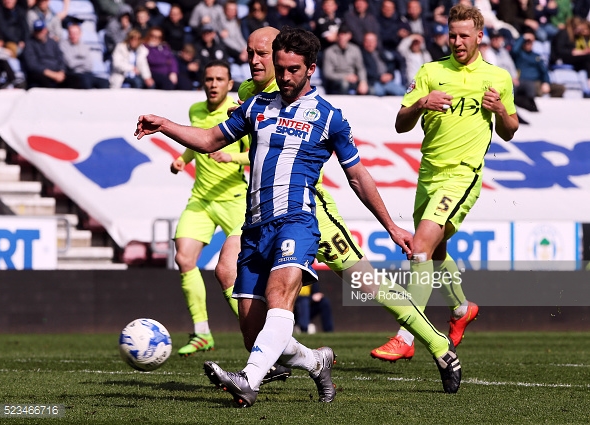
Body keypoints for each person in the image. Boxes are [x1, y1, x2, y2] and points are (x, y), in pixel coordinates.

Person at [136, 26, 462, 406]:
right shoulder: (250, 98)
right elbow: (215, 140)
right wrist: (167, 128)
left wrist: (390, 226)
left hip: (310, 213)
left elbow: (355, 173)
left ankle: (437, 344)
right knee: (240, 298)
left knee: (366, 285)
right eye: (253, 54)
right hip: (260, 217)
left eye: (262, 54)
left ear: (305, 67)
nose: (255, 62)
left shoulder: (325, 114)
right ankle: (305, 359)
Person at [370, 3, 519, 362]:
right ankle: (461, 309)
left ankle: (407, 335)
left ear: (480, 36)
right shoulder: (430, 71)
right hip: (428, 176)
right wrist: (422, 102)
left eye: (464, 35)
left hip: (462, 176)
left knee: (419, 246)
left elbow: (511, 130)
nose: (456, 41)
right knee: (434, 254)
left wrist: (499, 110)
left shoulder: (497, 78)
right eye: (452, 35)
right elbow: (400, 124)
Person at [169, 60, 247, 357]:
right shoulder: (195, 111)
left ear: (230, 85)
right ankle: (202, 332)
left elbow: (259, 152)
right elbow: (196, 141)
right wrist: (183, 160)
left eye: (219, 79)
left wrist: (233, 160)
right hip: (201, 198)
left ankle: (256, 329)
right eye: (209, 79)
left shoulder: (240, 112)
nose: (213, 84)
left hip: (235, 199)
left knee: (231, 269)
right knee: (184, 257)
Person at [511, 30, 565, 102]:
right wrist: (523, 37)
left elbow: (544, 71)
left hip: (539, 82)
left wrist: (546, 83)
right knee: (532, 87)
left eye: (530, 42)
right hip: (525, 82)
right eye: (526, 42)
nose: (528, 44)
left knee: (560, 88)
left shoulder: (537, 56)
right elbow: (514, 49)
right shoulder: (519, 55)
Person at [59, 22, 110, 89]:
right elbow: (70, 64)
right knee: (85, 81)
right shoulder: (63, 45)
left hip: (86, 74)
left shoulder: (84, 46)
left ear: (80, 34)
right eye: (72, 33)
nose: (74, 35)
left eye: (76, 33)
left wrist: (77, 60)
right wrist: (83, 61)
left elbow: (89, 65)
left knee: (105, 83)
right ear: (68, 34)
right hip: (71, 74)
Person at [321, 23, 369, 95]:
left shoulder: (355, 49)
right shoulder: (329, 51)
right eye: (341, 34)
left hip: (353, 79)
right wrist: (345, 77)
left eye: (345, 34)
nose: (342, 37)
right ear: (337, 36)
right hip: (336, 81)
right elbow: (328, 73)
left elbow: (360, 68)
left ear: (349, 36)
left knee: (370, 89)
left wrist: (363, 81)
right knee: (344, 84)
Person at [22, 19, 66, 88]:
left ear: (45, 30)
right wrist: (52, 75)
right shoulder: (29, 44)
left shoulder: (52, 42)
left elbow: (60, 58)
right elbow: (32, 65)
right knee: (43, 81)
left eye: (41, 30)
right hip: (42, 74)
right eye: (37, 31)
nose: (39, 33)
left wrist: (61, 71)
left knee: (76, 79)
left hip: (57, 72)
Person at [361, 30, 406, 96]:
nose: (370, 44)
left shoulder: (381, 53)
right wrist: (380, 77)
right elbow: (363, 70)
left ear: (376, 42)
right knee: (379, 92)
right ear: (364, 42)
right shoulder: (361, 54)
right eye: (368, 41)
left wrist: (390, 75)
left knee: (402, 91)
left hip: (387, 81)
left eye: (372, 41)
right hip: (373, 82)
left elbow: (390, 65)